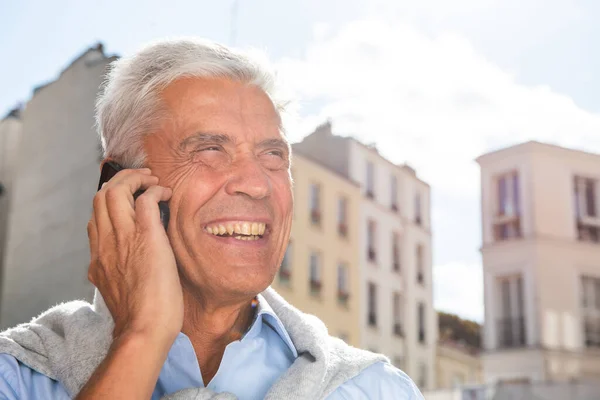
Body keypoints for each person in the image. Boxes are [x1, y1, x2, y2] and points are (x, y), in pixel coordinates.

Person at [0, 38, 424, 399]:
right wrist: (141, 337)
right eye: (209, 150)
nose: (257, 184)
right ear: (120, 184)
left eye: (273, 155)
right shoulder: (18, 375)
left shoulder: (377, 389)